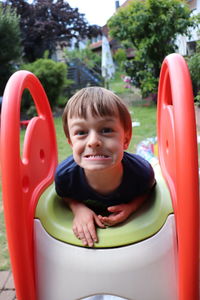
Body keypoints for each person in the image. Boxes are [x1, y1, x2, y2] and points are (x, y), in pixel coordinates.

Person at [55, 86, 155, 248]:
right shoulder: (65, 176)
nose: (93, 141)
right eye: (81, 132)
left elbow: (148, 190)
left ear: (126, 139)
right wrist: (77, 208)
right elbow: (64, 194)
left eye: (106, 130)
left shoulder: (141, 172)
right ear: (70, 142)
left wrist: (131, 207)